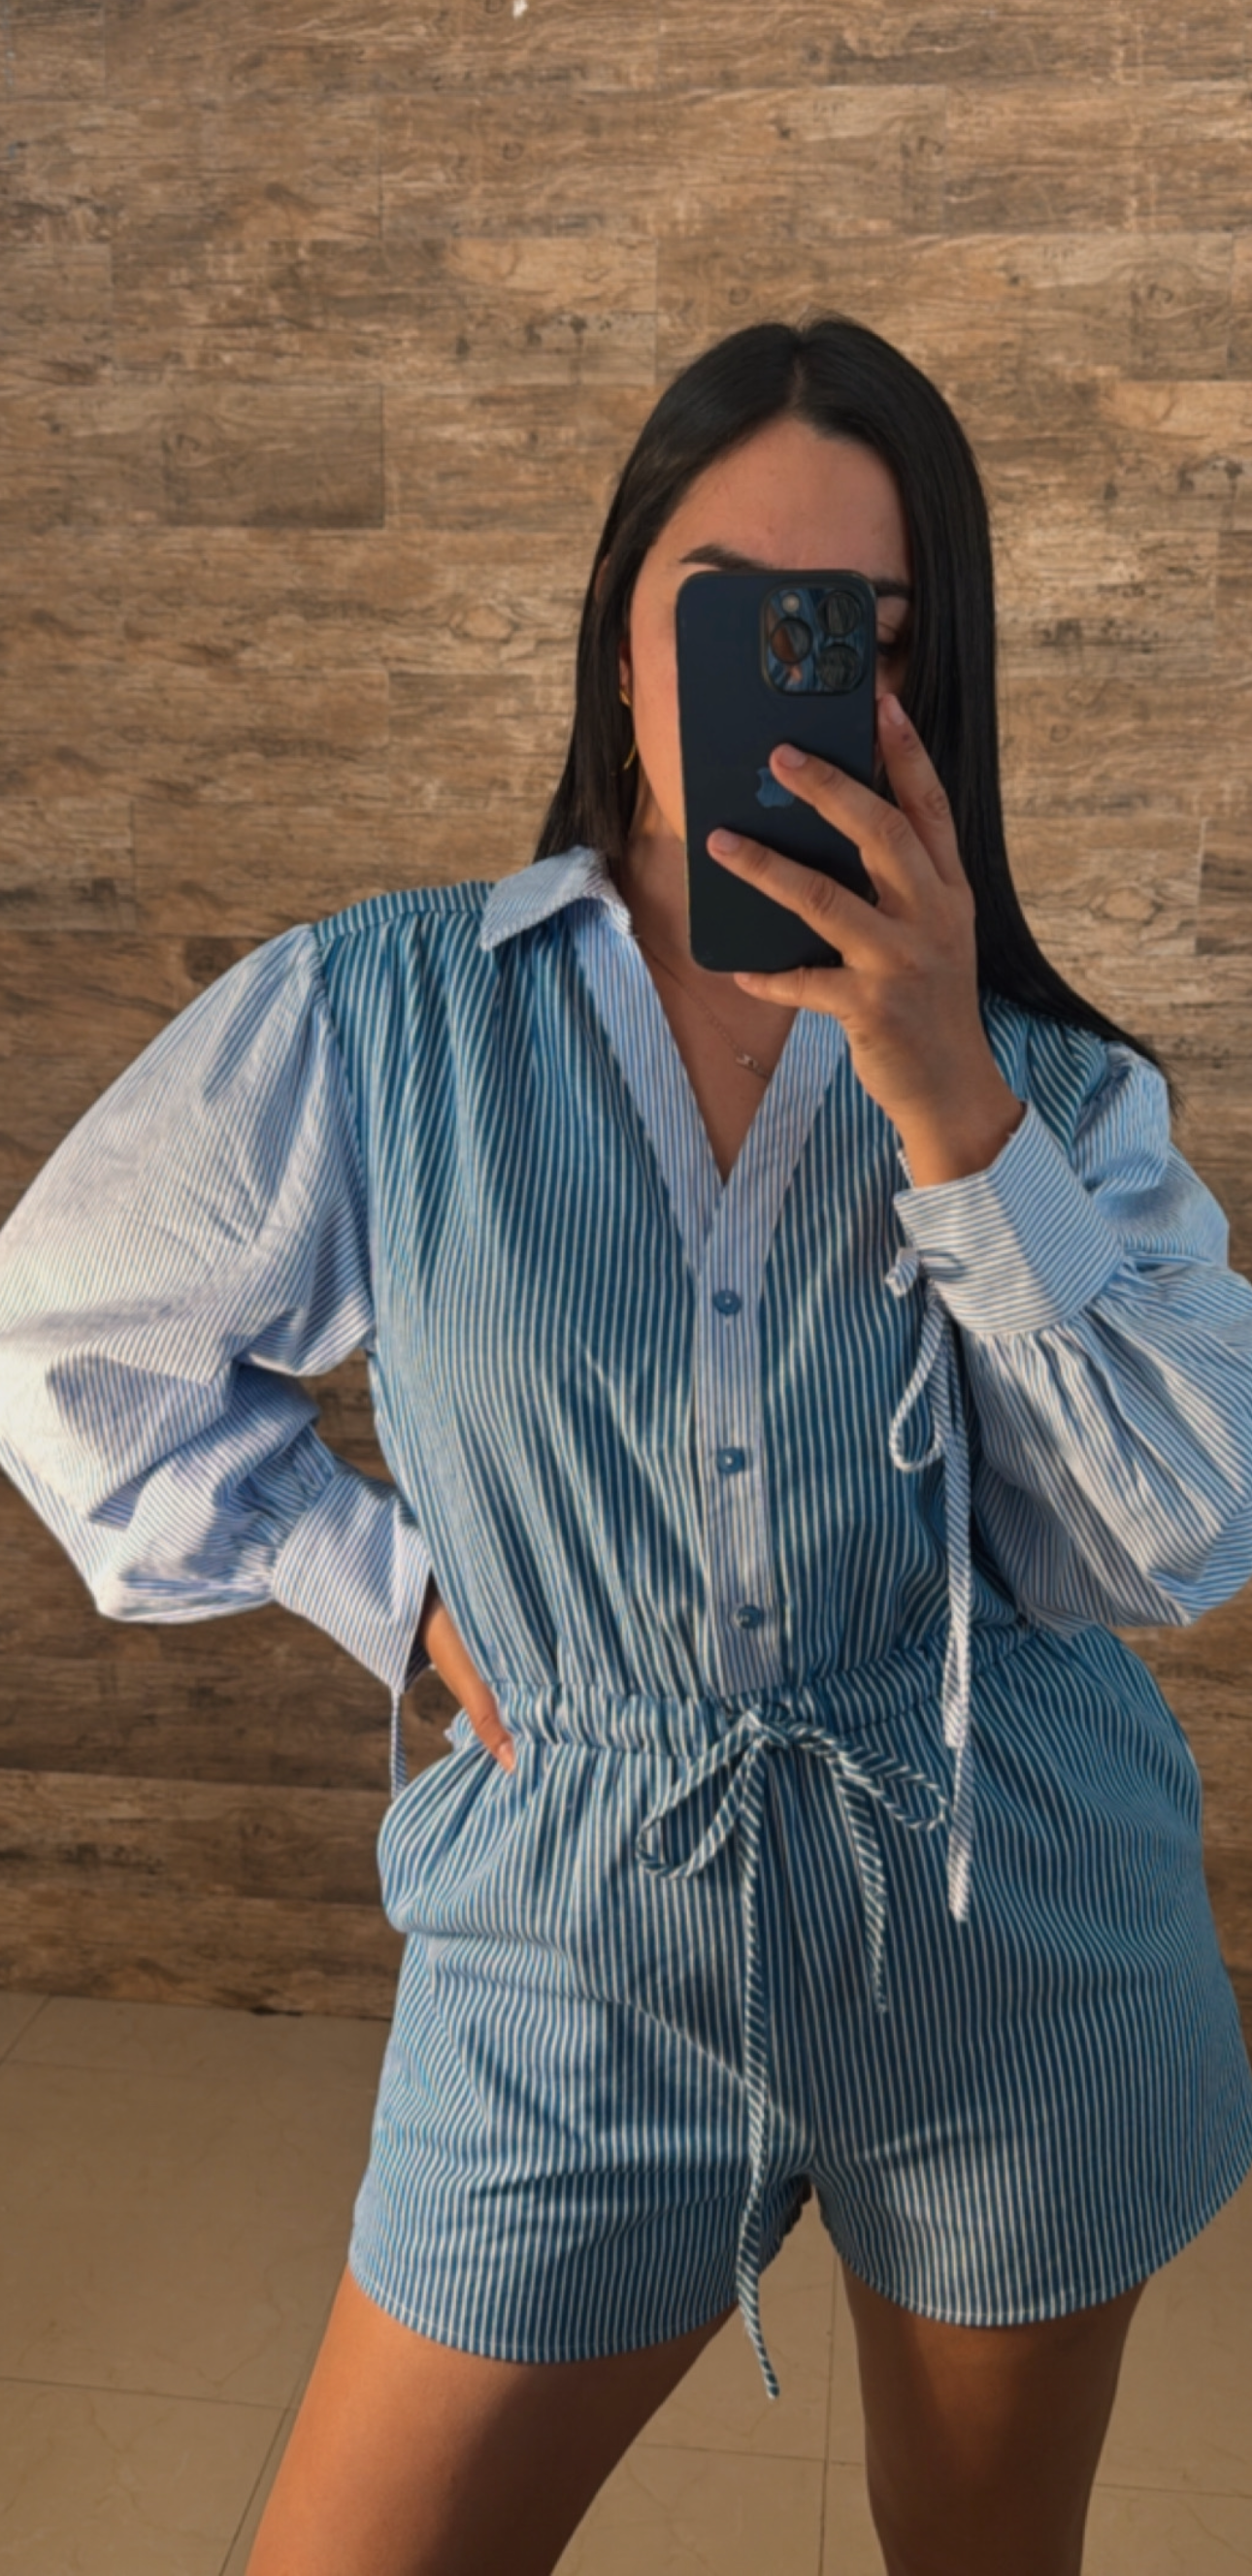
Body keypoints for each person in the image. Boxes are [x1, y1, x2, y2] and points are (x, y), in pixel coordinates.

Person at [1, 314, 1250, 2576]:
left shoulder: (1054, 1095)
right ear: (619, 635)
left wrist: (946, 1093)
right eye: (728, 612)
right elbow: (66, 1331)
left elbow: (1175, 1533)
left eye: (863, 636)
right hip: (571, 1940)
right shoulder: (386, 1015)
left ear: (932, 680)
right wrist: (386, 1587)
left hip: (1017, 1936)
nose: (791, 682)